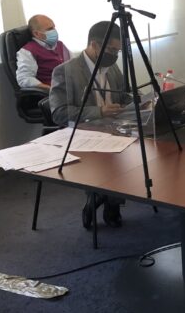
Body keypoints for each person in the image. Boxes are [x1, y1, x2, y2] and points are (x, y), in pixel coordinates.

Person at [49, 20, 131, 228]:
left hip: (114, 128)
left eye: (118, 51)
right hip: (83, 132)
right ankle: (103, 198)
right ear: (94, 45)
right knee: (113, 156)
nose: (115, 55)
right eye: (111, 50)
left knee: (136, 148)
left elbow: (123, 97)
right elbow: (59, 113)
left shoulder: (111, 68)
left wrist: (142, 102)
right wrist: (99, 111)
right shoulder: (65, 71)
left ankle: (106, 197)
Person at [16, 14, 70, 90]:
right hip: (52, 92)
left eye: (54, 27)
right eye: (50, 29)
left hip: (69, 87)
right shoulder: (27, 51)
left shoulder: (60, 44)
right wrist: (50, 89)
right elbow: (24, 79)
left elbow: (74, 64)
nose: (54, 31)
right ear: (36, 33)